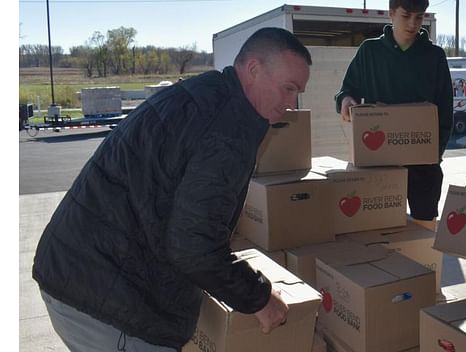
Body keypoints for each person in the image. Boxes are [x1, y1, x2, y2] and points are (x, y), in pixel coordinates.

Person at [32, 27, 312, 351]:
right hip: (105, 299)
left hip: (79, 268)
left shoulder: (207, 94)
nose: (293, 103)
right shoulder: (228, 131)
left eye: (298, 92)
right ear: (253, 69)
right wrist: (259, 298)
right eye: (288, 89)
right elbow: (193, 246)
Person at [335, 0, 453, 231]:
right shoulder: (370, 52)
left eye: (419, 17)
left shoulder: (434, 56)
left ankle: (424, 269)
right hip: (379, 162)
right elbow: (347, 90)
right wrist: (346, 100)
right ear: (391, 14)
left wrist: (435, 152)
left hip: (424, 165)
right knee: (380, 230)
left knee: (424, 231)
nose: (412, 23)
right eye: (406, 16)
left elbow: (445, 109)